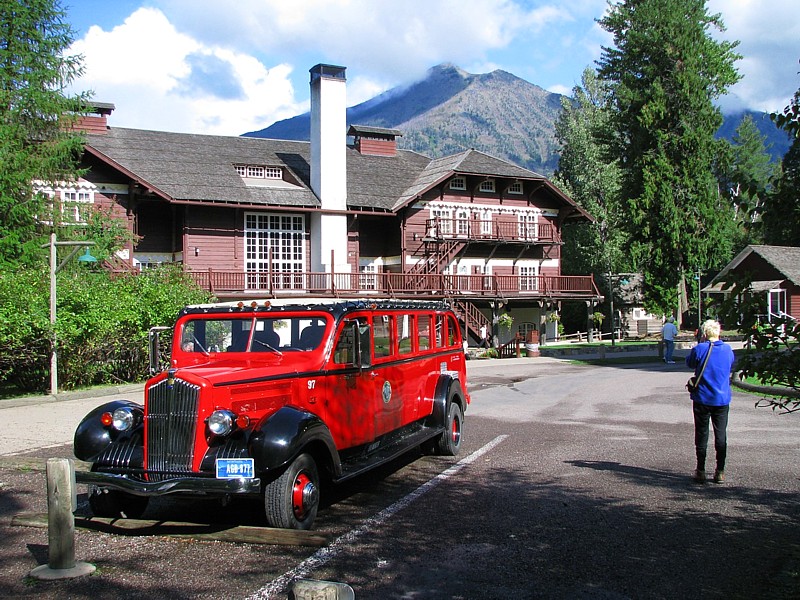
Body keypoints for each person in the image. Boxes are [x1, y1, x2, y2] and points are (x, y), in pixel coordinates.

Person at [685, 319, 735, 484]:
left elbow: (689, 363)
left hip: (702, 397)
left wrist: (700, 344)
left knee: (702, 433)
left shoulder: (700, 349)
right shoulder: (728, 350)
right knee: (721, 434)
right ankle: (720, 470)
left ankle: (700, 469)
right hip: (721, 399)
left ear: (704, 333)